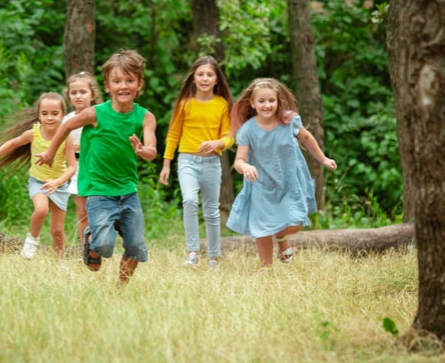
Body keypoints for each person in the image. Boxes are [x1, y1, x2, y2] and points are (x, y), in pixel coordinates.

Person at [37, 50, 157, 287]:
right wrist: (50, 153)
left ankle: (119, 289)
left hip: (128, 191)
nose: (123, 86)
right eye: (117, 81)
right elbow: (66, 126)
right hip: (99, 191)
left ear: (140, 84)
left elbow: (152, 151)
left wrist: (143, 150)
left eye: (130, 80)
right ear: (107, 85)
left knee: (135, 246)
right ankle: (91, 240)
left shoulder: (145, 117)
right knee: (104, 245)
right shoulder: (95, 114)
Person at [226, 78, 337, 268]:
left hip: (289, 181)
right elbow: (238, 161)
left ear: (278, 101)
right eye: (261, 101)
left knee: (296, 221)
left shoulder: (289, 120)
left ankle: (281, 236)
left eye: (271, 100)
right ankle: (266, 268)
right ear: (252, 103)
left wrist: (323, 159)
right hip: (261, 183)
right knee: (262, 228)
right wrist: (245, 167)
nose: (267, 105)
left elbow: (306, 137)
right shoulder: (247, 130)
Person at [0, 93, 77, 259]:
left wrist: (58, 182)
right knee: (41, 209)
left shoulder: (66, 137)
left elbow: (72, 167)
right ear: (39, 115)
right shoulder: (33, 134)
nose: (49, 118)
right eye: (44, 113)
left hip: (59, 186)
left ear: (63, 115)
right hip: (38, 182)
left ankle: (60, 261)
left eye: (55, 113)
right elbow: (12, 143)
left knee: (57, 230)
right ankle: (32, 240)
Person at [159, 56, 233, 268]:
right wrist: (166, 163)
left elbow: (230, 136)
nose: (205, 78)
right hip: (187, 161)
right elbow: (174, 134)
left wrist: (217, 143)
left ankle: (213, 257)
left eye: (209, 75)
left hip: (212, 163)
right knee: (190, 201)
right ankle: (192, 251)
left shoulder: (222, 105)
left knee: (211, 210)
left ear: (217, 79)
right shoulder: (185, 104)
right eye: (200, 74)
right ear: (193, 78)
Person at [63, 71, 103, 246]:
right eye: (74, 93)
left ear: (92, 95)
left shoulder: (100, 116)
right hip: (77, 169)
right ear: (69, 96)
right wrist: (70, 148)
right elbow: (58, 146)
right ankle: (85, 249)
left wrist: (88, 145)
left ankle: (100, 244)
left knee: (99, 211)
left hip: (98, 169)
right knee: (82, 212)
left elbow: (107, 142)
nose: (78, 96)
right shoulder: (67, 120)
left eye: (83, 92)